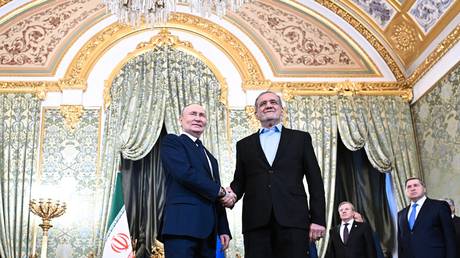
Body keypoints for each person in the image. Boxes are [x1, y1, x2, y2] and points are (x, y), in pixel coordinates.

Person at [223, 91, 326, 258]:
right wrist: (231, 194)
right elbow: (240, 181)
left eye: (273, 102)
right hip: (256, 222)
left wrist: (318, 219)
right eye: (262, 104)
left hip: (294, 220)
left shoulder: (301, 139)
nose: (268, 105)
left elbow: (315, 181)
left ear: (281, 109)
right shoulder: (244, 145)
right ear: (256, 113)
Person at [160, 104, 231, 258]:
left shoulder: (211, 158)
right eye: (193, 114)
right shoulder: (172, 142)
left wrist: (223, 229)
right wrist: (222, 191)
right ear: (181, 120)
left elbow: (215, 193)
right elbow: (185, 174)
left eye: (202, 115)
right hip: (181, 227)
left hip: (209, 233)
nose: (198, 118)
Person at [397, 177, 456, 258]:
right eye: (409, 187)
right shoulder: (401, 214)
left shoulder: (440, 206)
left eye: (416, 185)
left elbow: (450, 238)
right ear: (405, 191)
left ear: (424, 189)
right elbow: (400, 243)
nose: (412, 188)